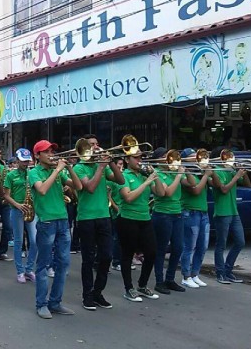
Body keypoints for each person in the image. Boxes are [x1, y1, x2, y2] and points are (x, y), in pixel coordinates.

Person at [30, 140, 82, 319]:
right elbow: (42, 190)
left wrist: (71, 168)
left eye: (53, 150)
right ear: (37, 155)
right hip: (46, 222)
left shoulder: (58, 172)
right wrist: (58, 170)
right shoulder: (33, 172)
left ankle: (55, 302)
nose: (52, 154)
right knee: (43, 265)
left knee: (64, 264)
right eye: (47, 151)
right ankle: (41, 304)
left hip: (62, 220)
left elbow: (79, 186)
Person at [74, 134, 124, 311]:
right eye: (91, 145)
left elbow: (121, 180)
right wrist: (101, 167)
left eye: (97, 144)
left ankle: (98, 292)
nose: (96, 148)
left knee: (106, 256)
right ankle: (87, 295)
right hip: (86, 218)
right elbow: (90, 188)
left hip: (104, 216)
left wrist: (110, 162)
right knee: (88, 259)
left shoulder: (100, 165)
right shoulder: (79, 168)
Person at [118, 152, 164, 302]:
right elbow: (128, 197)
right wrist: (146, 182)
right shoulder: (123, 175)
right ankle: (128, 288)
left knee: (151, 253)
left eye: (140, 158)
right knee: (127, 254)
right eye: (136, 158)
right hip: (128, 219)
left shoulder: (144, 175)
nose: (139, 161)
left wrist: (155, 176)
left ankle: (142, 285)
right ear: (127, 160)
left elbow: (161, 193)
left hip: (145, 218)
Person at [210, 149, 251, 284]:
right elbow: (224, 189)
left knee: (240, 242)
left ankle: (228, 270)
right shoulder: (215, 171)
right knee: (221, 244)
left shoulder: (231, 169)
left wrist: (243, 173)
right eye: (226, 156)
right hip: (222, 212)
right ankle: (220, 273)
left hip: (234, 212)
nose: (229, 159)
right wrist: (236, 175)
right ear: (219, 158)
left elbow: (248, 185)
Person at [151, 147, 188, 295]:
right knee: (160, 249)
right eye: (165, 157)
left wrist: (187, 169)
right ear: (158, 160)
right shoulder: (156, 174)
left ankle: (170, 279)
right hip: (162, 214)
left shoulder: (174, 171)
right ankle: (159, 282)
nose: (169, 159)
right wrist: (179, 175)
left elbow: (191, 184)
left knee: (178, 247)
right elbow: (167, 193)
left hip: (177, 213)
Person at [3, 148, 37, 284]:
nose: (26, 163)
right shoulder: (11, 175)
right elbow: (5, 195)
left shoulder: (32, 173)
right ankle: (20, 271)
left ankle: (29, 269)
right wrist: (17, 205)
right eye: (23, 161)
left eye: (27, 161)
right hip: (17, 210)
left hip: (31, 209)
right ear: (17, 161)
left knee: (34, 240)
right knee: (18, 241)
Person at [179, 148, 213, 288]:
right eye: (193, 157)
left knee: (202, 246)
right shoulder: (183, 174)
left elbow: (215, 184)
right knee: (189, 246)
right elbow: (196, 190)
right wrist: (206, 175)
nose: (197, 159)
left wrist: (210, 171)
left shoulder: (200, 172)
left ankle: (195, 274)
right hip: (190, 212)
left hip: (203, 213)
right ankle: (186, 276)